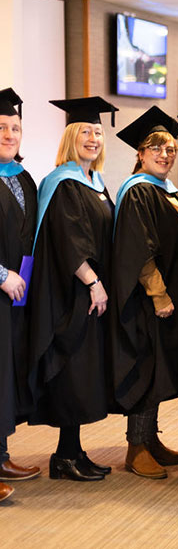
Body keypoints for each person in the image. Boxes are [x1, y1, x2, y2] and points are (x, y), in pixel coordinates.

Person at [29, 96, 118, 482]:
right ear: (70, 136)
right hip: (71, 294)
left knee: (84, 376)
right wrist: (93, 283)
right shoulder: (63, 182)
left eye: (98, 132)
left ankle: (73, 450)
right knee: (71, 373)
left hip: (90, 294)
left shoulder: (94, 182)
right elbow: (69, 241)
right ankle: (64, 457)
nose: (94, 138)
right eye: (86, 131)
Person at [112, 106, 178, 480]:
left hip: (167, 298)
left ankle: (151, 439)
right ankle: (136, 447)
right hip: (147, 301)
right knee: (145, 368)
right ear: (140, 153)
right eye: (155, 148)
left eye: (171, 149)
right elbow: (138, 250)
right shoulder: (139, 192)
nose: (164, 155)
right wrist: (159, 295)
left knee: (159, 368)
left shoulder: (166, 191)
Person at [0, 88, 40, 497]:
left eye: (15, 127)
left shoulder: (22, 177)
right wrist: (1, 275)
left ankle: (0, 455)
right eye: (1, 127)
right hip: (2, 285)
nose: (9, 134)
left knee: (4, 375)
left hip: (15, 293)